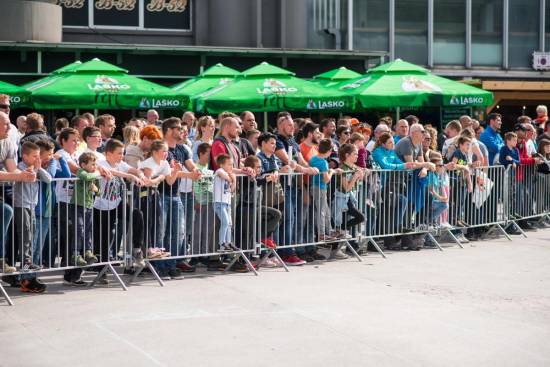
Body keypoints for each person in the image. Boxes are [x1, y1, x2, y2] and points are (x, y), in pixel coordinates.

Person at [93, 139, 144, 283]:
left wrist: (140, 174)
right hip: (101, 206)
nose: (122, 156)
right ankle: (101, 271)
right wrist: (129, 176)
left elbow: (132, 169)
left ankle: (137, 248)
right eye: (119, 153)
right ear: (108, 154)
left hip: (117, 203)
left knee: (136, 214)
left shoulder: (121, 163)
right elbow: (111, 172)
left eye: (123, 153)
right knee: (104, 238)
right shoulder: (101, 163)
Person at [274, 115, 319, 266]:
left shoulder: (292, 140)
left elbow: (300, 159)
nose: (293, 128)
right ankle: (285, 252)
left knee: (291, 219)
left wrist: (310, 167)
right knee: (286, 219)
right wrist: (305, 169)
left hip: (294, 185)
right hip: (282, 186)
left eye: (293, 125)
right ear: (281, 126)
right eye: (289, 125)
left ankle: (288, 250)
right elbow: (288, 161)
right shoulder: (277, 140)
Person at [159, 118, 201, 276]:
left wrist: (196, 171)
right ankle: (162, 265)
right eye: (178, 129)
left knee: (178, 231)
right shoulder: (161, 148)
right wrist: (190, 174)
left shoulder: (182, 148)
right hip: (161, 194)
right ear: (169, 130)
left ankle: (173, 263)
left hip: (176, 195)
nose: (182, 131)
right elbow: (169, 172)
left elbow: (190, 164)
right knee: (163, 232)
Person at [13, 142, 52, 292]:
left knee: (31, 234)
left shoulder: (37, 167)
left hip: (32, 206)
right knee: (25, 234)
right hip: (21, 204)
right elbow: (28, 175)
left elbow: (48, 180)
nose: (38, 159)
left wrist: (40, 167)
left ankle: (28, 263)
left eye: (38, 156)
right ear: (25, 156)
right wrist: (35, 168)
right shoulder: (20, 167)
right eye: (34, 156)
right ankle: (25, 262)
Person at [0, 110, 35, 276]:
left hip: (3, 190)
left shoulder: (7, 142)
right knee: (6, 211)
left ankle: (3, 260)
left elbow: (12, 169)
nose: (9, 127)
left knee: (9, 214)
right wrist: (20, 176)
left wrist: (28, 172)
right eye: (6, 124)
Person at [32, 140, 70, 268]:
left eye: (52, 154)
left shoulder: (49, 167)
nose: (52, 157)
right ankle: (26, 274)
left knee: (39, 246)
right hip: (37, 212)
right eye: (49, 154)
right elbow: (50, 176)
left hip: (47, 212)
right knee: (33, 245)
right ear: (39, 156)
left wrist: (62, 160)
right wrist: (54, 161)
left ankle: (33, 274)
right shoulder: (39, 170)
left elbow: (67, 174)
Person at [309, 139, 349, 260]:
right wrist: (332, 171)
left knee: (325, 210)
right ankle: (322, 234)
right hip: (320, 188)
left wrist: (333, 170)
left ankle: (328, 231)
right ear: (329, 150)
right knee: (322, 211)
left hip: (314, 187)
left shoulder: (314, 159)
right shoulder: (323, 162)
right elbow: (326, 179)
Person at [136, 140, 172, 268]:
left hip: (155, 194)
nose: (166, 154)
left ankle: (153, 247)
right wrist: (160, 178)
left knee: (156, 221)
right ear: (155, 152)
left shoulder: (165, 162)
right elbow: (147, 182)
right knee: (148, 222)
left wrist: (177, 171)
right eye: (163, 151)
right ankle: (147, 248)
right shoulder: (148, 163)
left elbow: (170, 181)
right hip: (144, 195)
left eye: (167, 151)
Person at [334, 143, 366, 254]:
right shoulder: (342, 168)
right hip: (342, 199)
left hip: (350, 199)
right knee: (359, 217)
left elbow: (363, 173)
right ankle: (337, 245)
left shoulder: (354, 167)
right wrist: (355, 177)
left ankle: (345, 242)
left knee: (347, 222)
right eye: (355, 154)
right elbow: (346, 188)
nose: (357, 156)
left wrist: (363, 173)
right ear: (347, 155)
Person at [71, 152, 100, 266]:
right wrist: (97, 173)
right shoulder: (80, 171)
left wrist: (96, 189)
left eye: (95, 164)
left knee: (88, 230)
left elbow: (99, 192)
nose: (95, 167)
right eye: (92, 164)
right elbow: (85, 177)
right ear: (83, 165)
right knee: (79, 230)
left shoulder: (94, 176)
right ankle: (76, 254)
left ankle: (88, 252)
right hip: (78, 205)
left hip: (89, 206)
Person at [191, 143, 216, 265]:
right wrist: (195, 201)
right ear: (201, 154)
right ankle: (195, 255)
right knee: (197, 230)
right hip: (199, 202)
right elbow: (192, 185)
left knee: (208, 229)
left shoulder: (211, 168)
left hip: (210, 202)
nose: (210, 156)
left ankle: (205, 254)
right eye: (208, 154)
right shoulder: (195, 167)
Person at [213, 154, 237, 253]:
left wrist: (234, 180)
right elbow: (225, 177)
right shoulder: (219, 171)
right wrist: (231, 177)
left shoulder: (228, 174)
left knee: (229, 224)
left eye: (232, 165)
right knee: (225, 222)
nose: (231, 167)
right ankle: (222, 243)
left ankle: (228, 242)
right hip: (219, 202)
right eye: (229, 164)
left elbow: (231, 190)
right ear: (222, 165)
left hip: (227, 203)